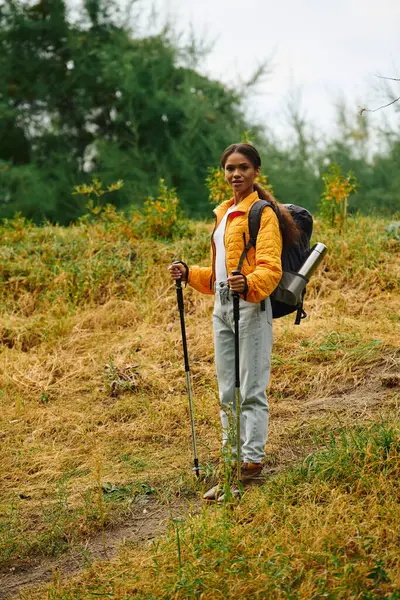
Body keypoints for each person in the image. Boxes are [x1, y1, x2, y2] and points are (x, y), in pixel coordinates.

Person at [169, 143, 299, 501]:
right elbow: (218, 274)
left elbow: (270, 268)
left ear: (256, 171)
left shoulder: (262, 213)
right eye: (230, 168)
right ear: (223, 173)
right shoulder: (224, 212)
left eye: (243, 167)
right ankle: (231, 462)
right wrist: (188, 273)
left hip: (252, 308)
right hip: (223, 309)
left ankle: (251, 466)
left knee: (251, 388)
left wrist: (250, 284)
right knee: (227, 391)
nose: (236, 174)